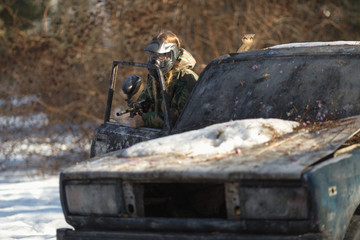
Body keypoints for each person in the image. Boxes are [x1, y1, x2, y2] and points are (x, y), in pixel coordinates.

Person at [129, 30, 198, 129]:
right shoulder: (155, 78)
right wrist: (136, 111)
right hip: (159, 135)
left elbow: (181, 116)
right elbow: (144, 101)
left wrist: (145, 120)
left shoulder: (185, 78)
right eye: (154, 55)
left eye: (161, 56)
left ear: (172, 55)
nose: (155, 60)